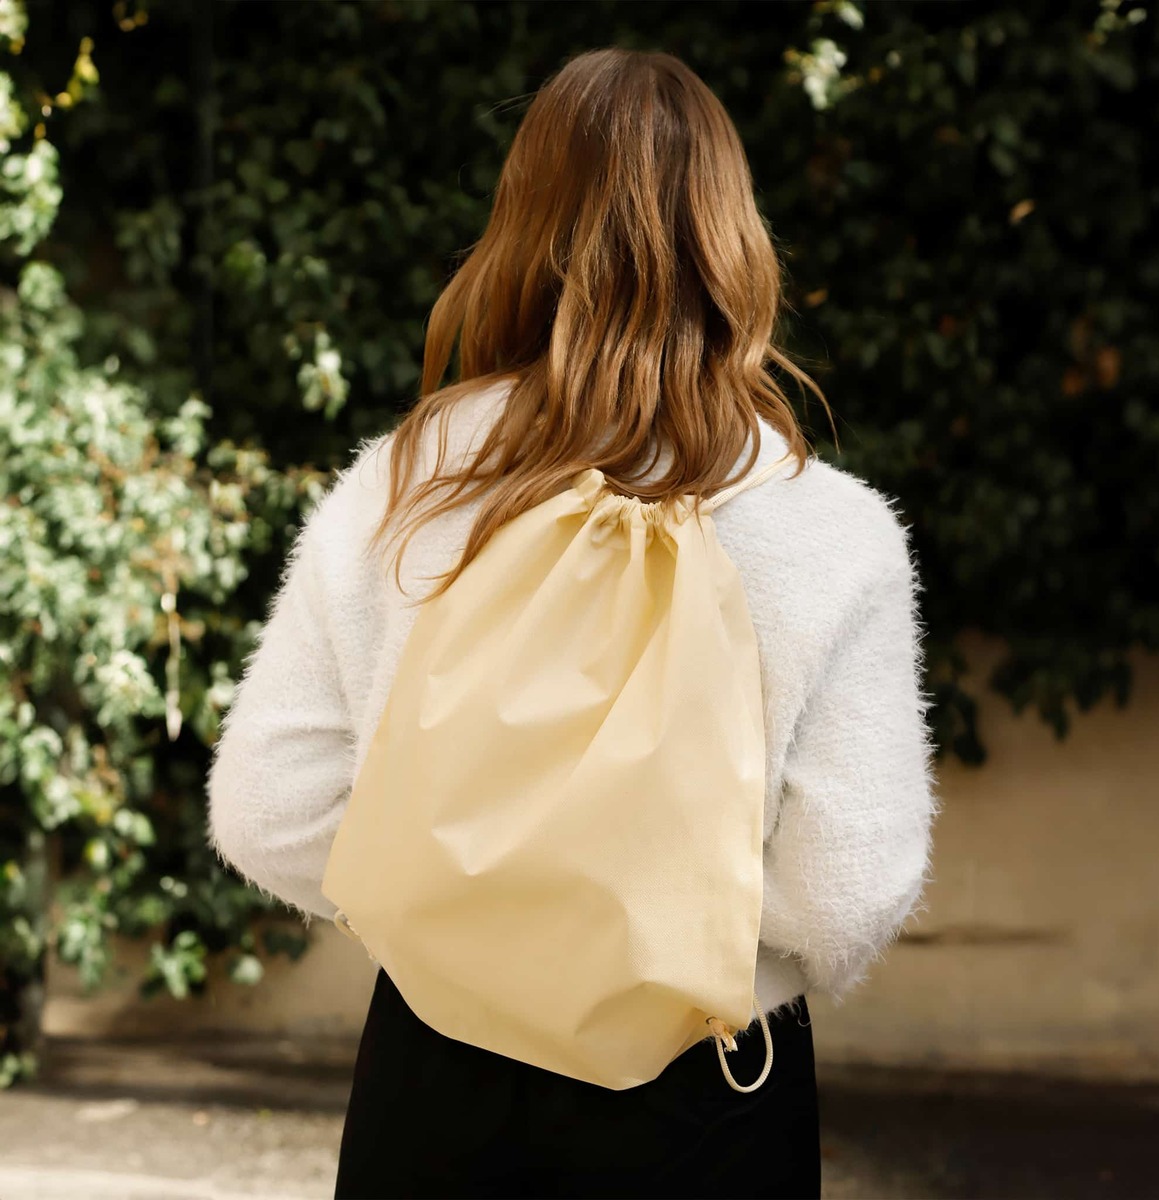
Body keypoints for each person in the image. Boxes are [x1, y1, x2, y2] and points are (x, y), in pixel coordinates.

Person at [206, 46, 939, 1200]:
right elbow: (846, 892)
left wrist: (469, 917)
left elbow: (268, 810)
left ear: (522, 222)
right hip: (708, 1088)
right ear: (732, 236)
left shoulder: (406, 485)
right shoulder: (832, 531)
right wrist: (655, 930)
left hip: (436, 1076)